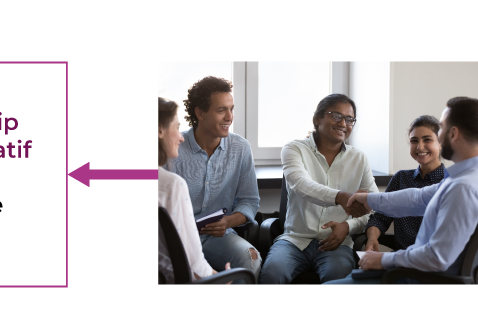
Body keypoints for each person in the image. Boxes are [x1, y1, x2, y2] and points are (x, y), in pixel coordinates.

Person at [323, 96, 478, 285]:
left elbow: (437, 258)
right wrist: (369, 199)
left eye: (441, 128)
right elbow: (420, 198)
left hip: (424, 278)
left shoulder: (463, 188)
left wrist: (383, 259)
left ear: (453, 133)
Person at [258, 94, 379, 285]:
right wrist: (340, 197)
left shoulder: (359, 158)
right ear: (317, 119)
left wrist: (348, 226)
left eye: (349, 119)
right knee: (272, 275)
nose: (343, 123)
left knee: (338, 279)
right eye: (336, 116)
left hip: (337, 244)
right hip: (294, 240)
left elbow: (373, 207)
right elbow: (301, 185)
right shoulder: (294, 149)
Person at [164, 76, 261, 285]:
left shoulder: (240, 148)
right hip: (177, 236)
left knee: (250, 258)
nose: (229, 117)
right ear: (200, 113)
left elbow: (249, 200)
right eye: (221, 110)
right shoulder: (173, 147)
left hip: (219, 236)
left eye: (231, 109)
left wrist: (227, 222)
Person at [157, 97, 231, 282]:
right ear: (160, 130)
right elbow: (192, 260)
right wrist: (221, 278)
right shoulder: (171, 185)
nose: (181, 136)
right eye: (176, 127)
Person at [361, 115, 449, 253]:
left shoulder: (452, 181)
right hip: (400, 259)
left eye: (427, 140)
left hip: (433, 262)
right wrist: (372, 238)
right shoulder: (401, 178)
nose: (420, 147)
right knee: (353, 274)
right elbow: (380, 218)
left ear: (441, 143)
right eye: (414, 141)